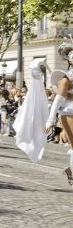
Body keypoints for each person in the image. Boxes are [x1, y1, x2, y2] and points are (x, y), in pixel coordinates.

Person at [45, 42, 73, 186]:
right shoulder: (65, 78)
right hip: (69, 113)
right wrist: (50, 120)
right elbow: (58, 100)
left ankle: (71, 170)